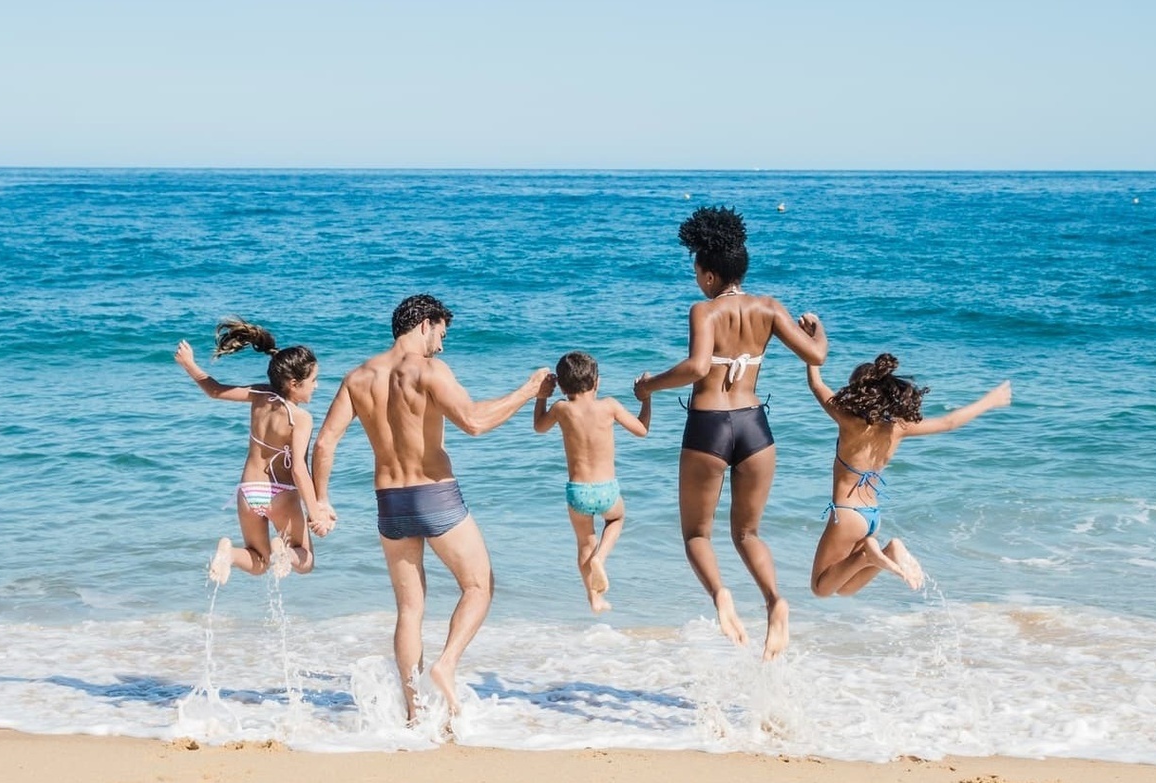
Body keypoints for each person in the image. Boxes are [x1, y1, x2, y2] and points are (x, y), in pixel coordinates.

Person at [309, 294, 547, 724]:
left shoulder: (357, 377)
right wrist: (529, 390)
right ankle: (447, 664)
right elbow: (474, 422)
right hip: (434, 494)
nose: (442, 343)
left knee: (410, 609)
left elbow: (324, 442)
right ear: (425, 324)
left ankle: (414, 713)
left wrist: (321, 501)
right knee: (478, 586)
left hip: (390, 502)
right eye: (441, 332)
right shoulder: (429, 370)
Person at [635, 206, 828, 660]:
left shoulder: (704, 310)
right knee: (748, 533)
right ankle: (775, 601)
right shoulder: (770, 308)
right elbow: (816, 356)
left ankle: (722, 596)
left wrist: (649, 385)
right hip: (755, 426)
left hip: (710, 425)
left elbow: (699, 367)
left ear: (709, 275)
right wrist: (819, 330)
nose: (696, 279)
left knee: (697, 535)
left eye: (697, 271)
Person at [805, 353, 1012, 596]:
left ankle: (868, 552)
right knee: (844, 588)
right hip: (871, 517)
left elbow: (816, 384)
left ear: (858, 391)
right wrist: (990, 400)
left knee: (820, 588)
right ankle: (886, 551)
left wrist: (811, 351)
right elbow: (949, 422)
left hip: (848, 514)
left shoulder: (848, 420)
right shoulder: (897, 429)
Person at [173, 318, 327, 583]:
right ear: (293, 382)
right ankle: (285, 551)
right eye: (313, 380)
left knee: (259, 562)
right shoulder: (300, 418)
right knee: (305, 559)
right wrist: (315, 514)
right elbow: (300, 469)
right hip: (280, 493)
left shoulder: (260, 394)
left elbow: (216, 391)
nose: (317, 385)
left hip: (247, 492)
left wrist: (189, 365)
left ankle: (229, 555)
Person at [532, 351, 653, 613]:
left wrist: (541, 397)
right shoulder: (610, 406)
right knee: (616, 519)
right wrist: (646, 399)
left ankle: (594, 598)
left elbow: (539, 427)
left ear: (562, 386)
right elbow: (642, 430)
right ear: (597, 382)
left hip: (578, 493)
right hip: (606, 489)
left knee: (584, 543)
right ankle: (601, 557)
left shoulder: (561, 409)